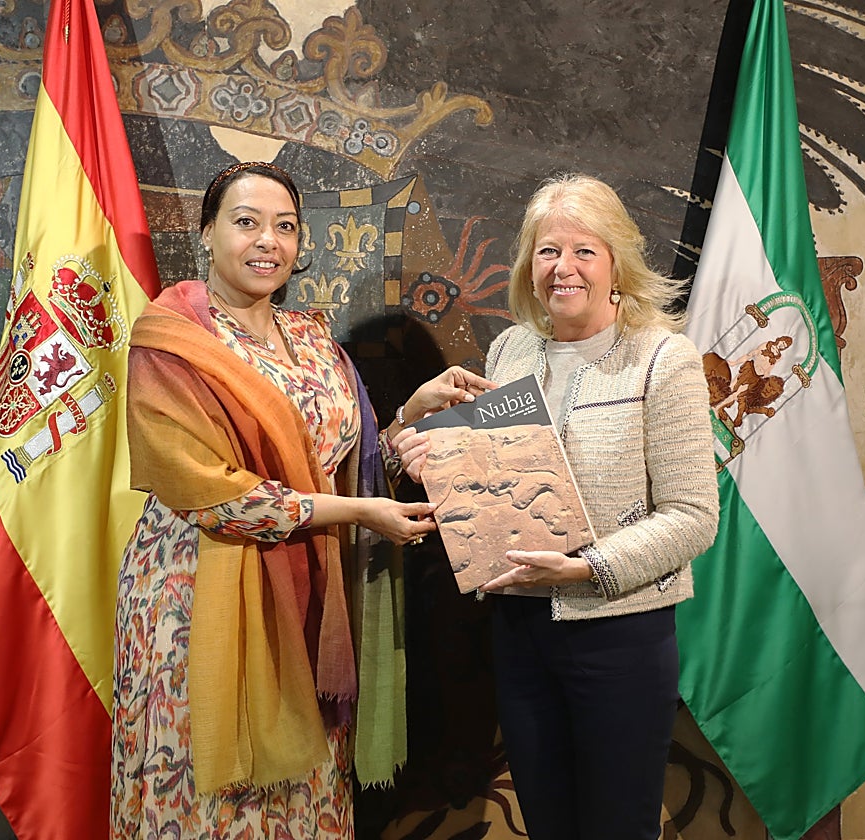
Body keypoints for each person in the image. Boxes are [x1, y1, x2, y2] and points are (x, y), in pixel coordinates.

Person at [110, 160, 492, 837]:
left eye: (285, 227)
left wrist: (411, 414)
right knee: (209, 802)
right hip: (198, 598)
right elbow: (216, 495)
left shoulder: (314, 341)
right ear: (207, 233)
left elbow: (347, 471)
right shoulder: (173, 340)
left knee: (302, 798)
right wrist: (358, 514)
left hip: (310, 598)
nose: (268, 241)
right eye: (247, 222)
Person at [393, 173, 719, 839]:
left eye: (583, 251)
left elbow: (693, 516)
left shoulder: (665, 360)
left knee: (617, 827)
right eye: (547, 251)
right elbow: (499, 481)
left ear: (617, 265)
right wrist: (438, 466)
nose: (562, 268)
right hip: (519, 631)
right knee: (547, 823)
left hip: (620, 635)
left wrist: (585, 568)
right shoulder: (511, 349)